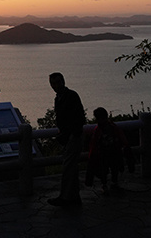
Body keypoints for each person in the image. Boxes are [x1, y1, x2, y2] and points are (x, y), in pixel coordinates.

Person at [47, 72, 86, 208]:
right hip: (67, 136)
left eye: (58, 82)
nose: (56, 85)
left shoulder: (71, 96)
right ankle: (73, 197)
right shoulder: (59, 98)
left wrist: (71, 133)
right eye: (53, 83)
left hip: (73, 136)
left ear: (63, 81)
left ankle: (66, 197)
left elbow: (79, 117)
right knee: (71, 168)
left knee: (68, 167)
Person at [85, 107, 131, 196]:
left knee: (114, 169)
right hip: (105, 154)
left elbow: (93, 144)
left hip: (112, 152)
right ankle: (106, 184)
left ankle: (112, 183)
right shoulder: (107, 128)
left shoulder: (105, 129)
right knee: (105, 170)